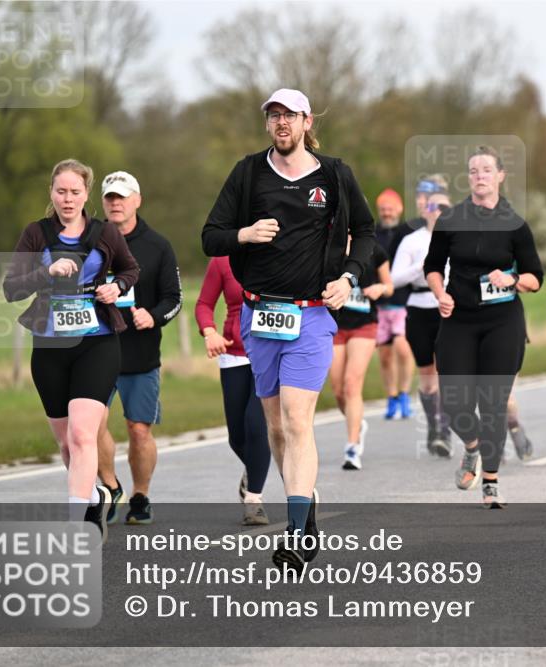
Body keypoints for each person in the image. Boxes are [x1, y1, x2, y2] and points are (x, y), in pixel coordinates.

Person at [202, 88, 374, 570]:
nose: (281, 123)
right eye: (273, 116)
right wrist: (244, 234)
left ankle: (297, 533)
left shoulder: (335, 174)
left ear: (306, 121)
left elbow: (365, 232)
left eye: (289, 115)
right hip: (260, 316)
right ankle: (306, 500)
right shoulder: (248, 172)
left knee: (298, 420)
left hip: (312, 314)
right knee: (276, 426)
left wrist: (349, 276)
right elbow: (209, 235)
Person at [3, 159, 140, 539]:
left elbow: (131, 270)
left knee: (83, 435)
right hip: (49, 347)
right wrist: (46, 272)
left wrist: (118, 288)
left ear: (86, 195)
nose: (68, 199)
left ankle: (74, 527)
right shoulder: (36, 234)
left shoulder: (105, 232)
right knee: (66, 443)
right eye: (61, 191)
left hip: (96, 343)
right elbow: (11, 289)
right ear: (51, 193)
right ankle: (92, 494)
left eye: (75, 192)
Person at [425, 146, 544, 508]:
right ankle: (472, 446)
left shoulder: (515, 224)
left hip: (502, 321)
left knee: (493, 403)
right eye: (474, 170)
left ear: (500, 176)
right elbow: (432, 265)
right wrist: (439, 293)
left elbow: (535, 278)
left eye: (486, 170)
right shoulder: (451, 219)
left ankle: (490, 481)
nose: (480, 176)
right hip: (458, 318)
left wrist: (511, 279)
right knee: (455, 403)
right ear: (469, 178)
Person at [95, 171, 182, 526]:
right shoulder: (90, 242)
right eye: (110, 197)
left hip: (140, 354)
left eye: (122, 197)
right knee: (92, 425)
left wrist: (154, 316)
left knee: (138, 430)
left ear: (137, 201)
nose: (116, 203)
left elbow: (174, 299)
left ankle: (141, 495)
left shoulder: (157, 245)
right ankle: (110, 486)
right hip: (96, 349)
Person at [196, 256, 272, 524]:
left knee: (256, 425)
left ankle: (254, 500)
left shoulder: (282, 251)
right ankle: (265, 472)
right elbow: (204, 304)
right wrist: (209, 332)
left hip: (271, 351)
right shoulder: (222, 260)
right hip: (234, 355)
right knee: (237, 437)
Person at [392, 191, 453, 457]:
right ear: (424, 210)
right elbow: (394, 279)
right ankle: (433, 424)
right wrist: (421, 267)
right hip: (419, 309)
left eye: (444, 206)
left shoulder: (457, 238)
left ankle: (444, 430)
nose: (438, 210)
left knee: (445, 372)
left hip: (449, 308)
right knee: (428, 378)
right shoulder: (411, 241)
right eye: (433, 206)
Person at [331, 240, 393, 470]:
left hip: (364, 324)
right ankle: (356, 423)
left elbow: (390, 286)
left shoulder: (374, 248)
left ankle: (352, 446)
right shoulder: (328, 244)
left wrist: (380, 288)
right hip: (334, 324)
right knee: (338, 390)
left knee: (351, 384)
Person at [373, 188, 415, 420]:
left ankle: (404, 394)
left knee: (403, 349)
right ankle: (391, 397)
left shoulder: (408, 232)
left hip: (403, 301)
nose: (387, 213)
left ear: (399, 209)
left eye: (390, 209)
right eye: (383, 209)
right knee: (385, 355)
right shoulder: (372, 233)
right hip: (380, 304)